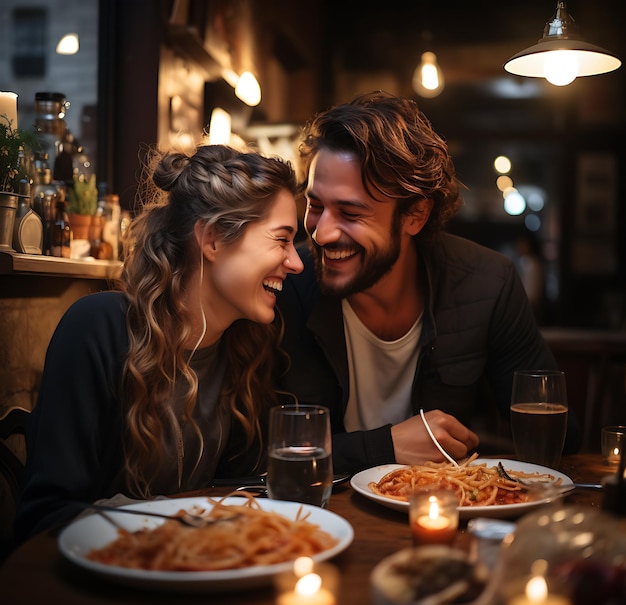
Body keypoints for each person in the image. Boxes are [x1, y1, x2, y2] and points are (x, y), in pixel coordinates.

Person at [276, 92, 581, 475]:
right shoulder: (287, 280)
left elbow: (561, 440)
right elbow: (261, 452)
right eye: (316, 205)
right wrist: (385, 446)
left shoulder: (486, 283)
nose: (320, 234)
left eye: (350, 212)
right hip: (317, 521)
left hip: (442, 516)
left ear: (415, 215)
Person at [15, 143, 304, 543]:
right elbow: (44, 517)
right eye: (281, 239)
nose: (296, 262)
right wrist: (174, 530)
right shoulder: (97, 331)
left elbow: (243, 490)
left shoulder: (246, 348)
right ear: (213, 240)